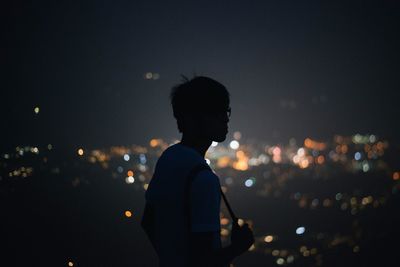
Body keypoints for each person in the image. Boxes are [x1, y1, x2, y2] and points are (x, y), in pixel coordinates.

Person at [142, 76, 254, 266]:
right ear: (193, 118)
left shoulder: (168, 158)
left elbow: (147, 222)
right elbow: (203, 261)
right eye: (217, 112)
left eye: (226, 111)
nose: (225, 119)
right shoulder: (204, 179)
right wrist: (237, 248)